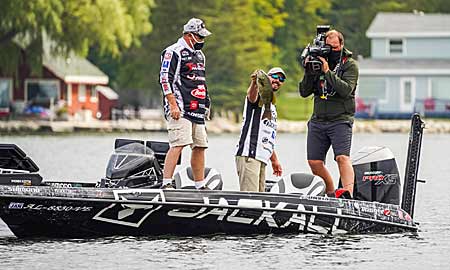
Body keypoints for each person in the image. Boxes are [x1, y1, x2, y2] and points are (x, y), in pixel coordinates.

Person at [298, 30, 359, 198]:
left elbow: (346, 90)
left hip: (340, 119)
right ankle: (331, 192)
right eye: (327, 47)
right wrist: (309, 72)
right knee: (314, 162)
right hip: (318, 120)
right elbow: (304, 92)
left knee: (342, 158)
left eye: (333, 47)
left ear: (341, 45)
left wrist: (327, 72)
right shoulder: (317, 61)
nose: (330, 51)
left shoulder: (349, 65)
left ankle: (348, 194)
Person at [159, 18, 212, 190]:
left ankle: (200, 184)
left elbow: (201, 82)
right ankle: (166, 183)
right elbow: (164, 79)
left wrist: (207, 104)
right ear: (189, 35)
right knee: (179, 143)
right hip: (180, 108)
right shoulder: (173, 51)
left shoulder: (200, 55)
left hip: (198, 108)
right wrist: (173, 105)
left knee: (200, 146)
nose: (202, 41)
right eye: (199, 37)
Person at [235, 67, 286, 192]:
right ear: (267, 78)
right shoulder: (258, 95)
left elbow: (267, 137)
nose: (278, 80)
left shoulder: (271, 106)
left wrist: (274, 160)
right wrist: (254, 83)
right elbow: (251, 97)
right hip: (249, 154)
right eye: (274, 76)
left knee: (259, 198)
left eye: (281, 79)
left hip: (262, 158)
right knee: (250, 199)